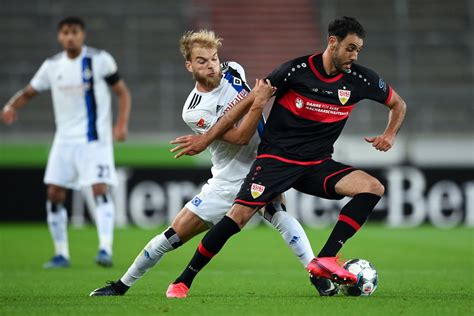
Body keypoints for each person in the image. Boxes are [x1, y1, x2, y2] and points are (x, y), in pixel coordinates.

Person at [167, 16, 407, 296]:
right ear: (333, 42)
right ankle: (183, 280)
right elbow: (248, 101)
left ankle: (326, 259)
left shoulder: (361, 78)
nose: (354, 55)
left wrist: (389, 135)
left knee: (372, 187)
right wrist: (205, 139)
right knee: (238, 217)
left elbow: (397, 103)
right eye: (350, 48)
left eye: (358, 50)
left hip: (317, 164)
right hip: (276, 160)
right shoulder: (296, 70)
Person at [89, 30, 326, 298]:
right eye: (202, 61)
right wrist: (258, 103)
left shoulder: (234, 70)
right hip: (227, 181)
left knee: (280, 216)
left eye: (214, 58)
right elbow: (240, 136)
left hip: (263, 166)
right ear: (189, 65)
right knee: (172, 237)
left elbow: (251, 105)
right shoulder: (195, 109)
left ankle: (318, 276)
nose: (211, 65)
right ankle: (121, 286)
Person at [1, 17, 131, 268]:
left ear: (82, 34)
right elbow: (30, 91)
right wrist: (10, 106)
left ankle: (105, 248)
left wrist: (121, 124)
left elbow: (122, 92)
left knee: (99, 189)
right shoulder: (52, 66)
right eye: (65, 32)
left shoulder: (100, 60)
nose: (70, 36)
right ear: (59, 37)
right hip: (64, 140)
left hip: (95, 139)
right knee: (54, 192)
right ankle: (61, 253)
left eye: (74, 32)